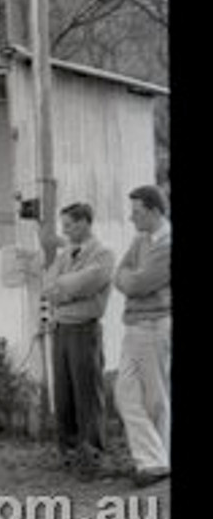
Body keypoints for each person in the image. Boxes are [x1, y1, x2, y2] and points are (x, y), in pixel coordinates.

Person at [40, 203, 115, 481]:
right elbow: (47, 286)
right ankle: (68, 453)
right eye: (63, 225)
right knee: (64, 393)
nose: (64, 230)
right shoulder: (63, 255)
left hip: (85, 329)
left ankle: (92, 454)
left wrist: (64, 289)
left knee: (87, 393)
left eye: (69, 225)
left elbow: (89, 283)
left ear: (85, 223)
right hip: (61, 329)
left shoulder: (103, 254)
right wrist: (65, 288)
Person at [113, 185, 171, 489]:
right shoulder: (141, 240)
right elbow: (119, 274)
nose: (131, 217)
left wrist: (131, 282)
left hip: (154, 326)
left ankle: (154, 463)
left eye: (136, 212)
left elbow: (137, 284)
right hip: (135, 326)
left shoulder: (167, 244)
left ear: (154, 211)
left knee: (155, 399)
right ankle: (156, 460)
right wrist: (131, 280)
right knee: (124, 394)